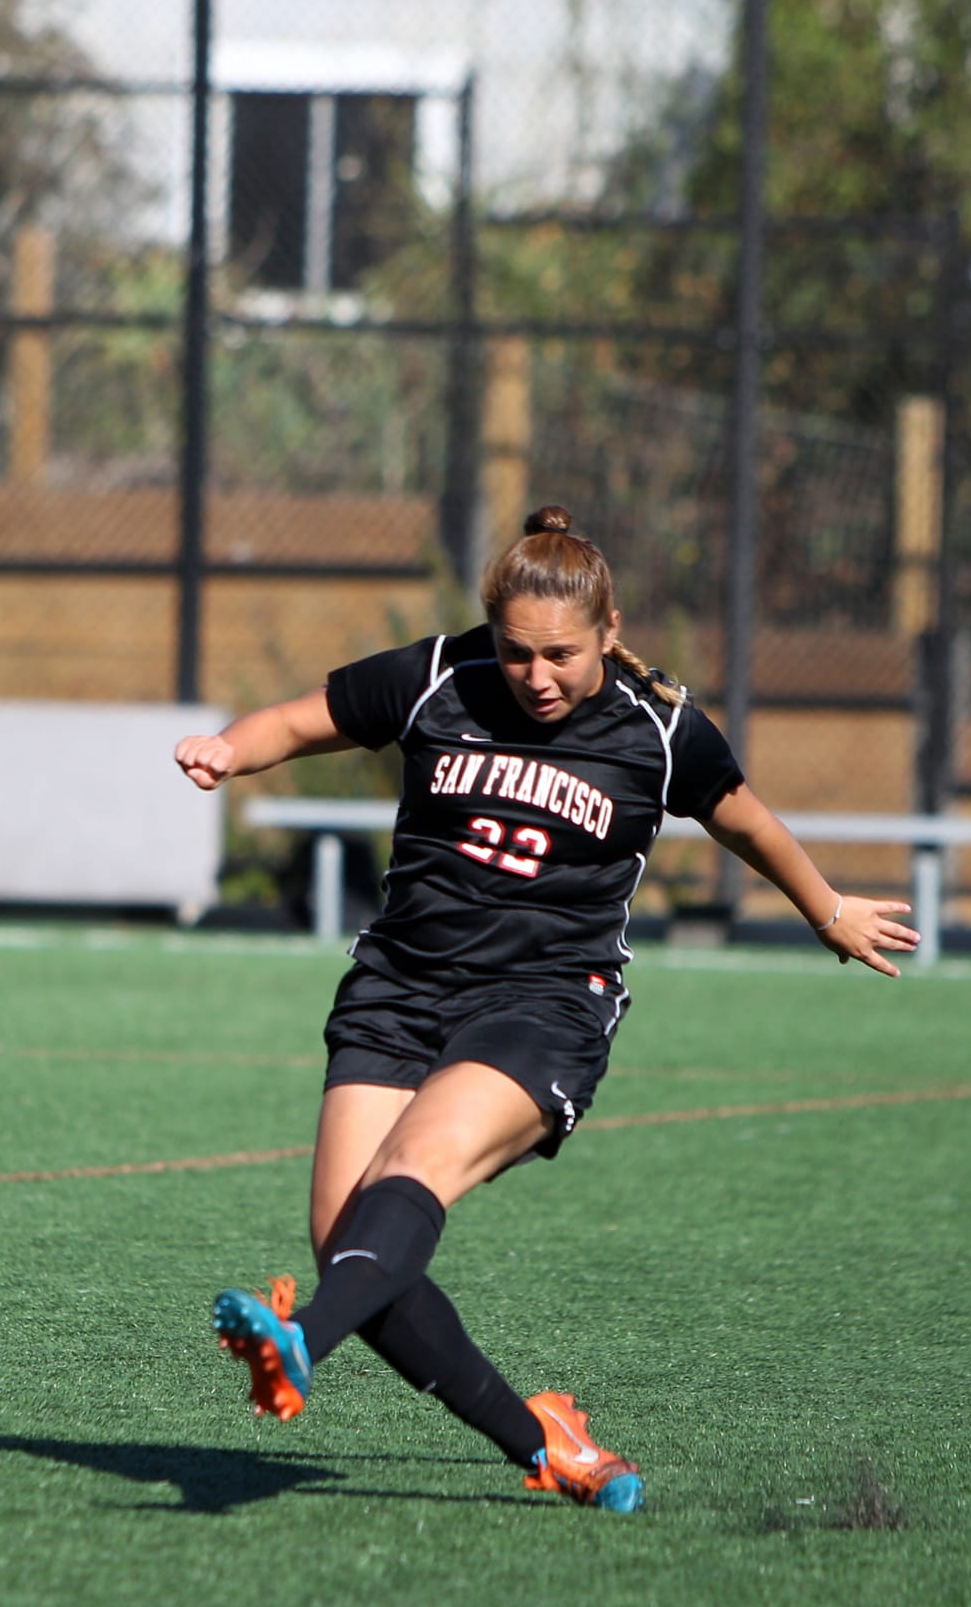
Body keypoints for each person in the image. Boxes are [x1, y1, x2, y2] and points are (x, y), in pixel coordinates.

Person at [173, 504, 918, 1512]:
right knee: (349, 1240)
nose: (536, 676)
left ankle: (299, 1341)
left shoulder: (658, 731)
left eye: (561, 654)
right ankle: (545, 1439)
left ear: (608, 631)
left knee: (409, 1174)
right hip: (398, 985)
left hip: (544, 1002)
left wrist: (825, 908)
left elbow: (748, 822)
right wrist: (227, 747)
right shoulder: (439, 674)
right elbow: (303, 719)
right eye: (516, 653)